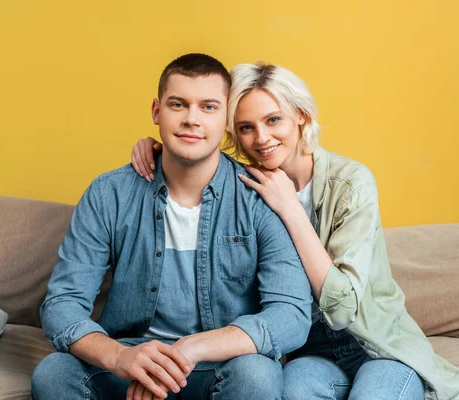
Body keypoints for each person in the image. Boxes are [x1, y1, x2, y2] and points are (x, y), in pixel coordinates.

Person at [131, 61, 459, 399]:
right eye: (246, 127)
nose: (261, 138)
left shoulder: (350, 184)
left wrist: (290, 208)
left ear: (301, 115)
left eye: (274, 120)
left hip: (377, 347)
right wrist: (159, 148)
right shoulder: (244, 188)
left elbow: (344, 307)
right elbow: (193, 155)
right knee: (292, 391)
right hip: (309, 355)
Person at [32, 53, 313, 400]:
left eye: (208, 107)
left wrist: (189, 349)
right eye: (178, 104)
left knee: (257, 374)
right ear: (156, 111)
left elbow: (291, 315)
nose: (191, 119)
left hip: (217, 363)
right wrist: (119, 357)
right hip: (132, 358)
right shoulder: (109, 194)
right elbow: (62, 303)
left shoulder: (260, 196)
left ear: (227, 118)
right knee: (54, 373)